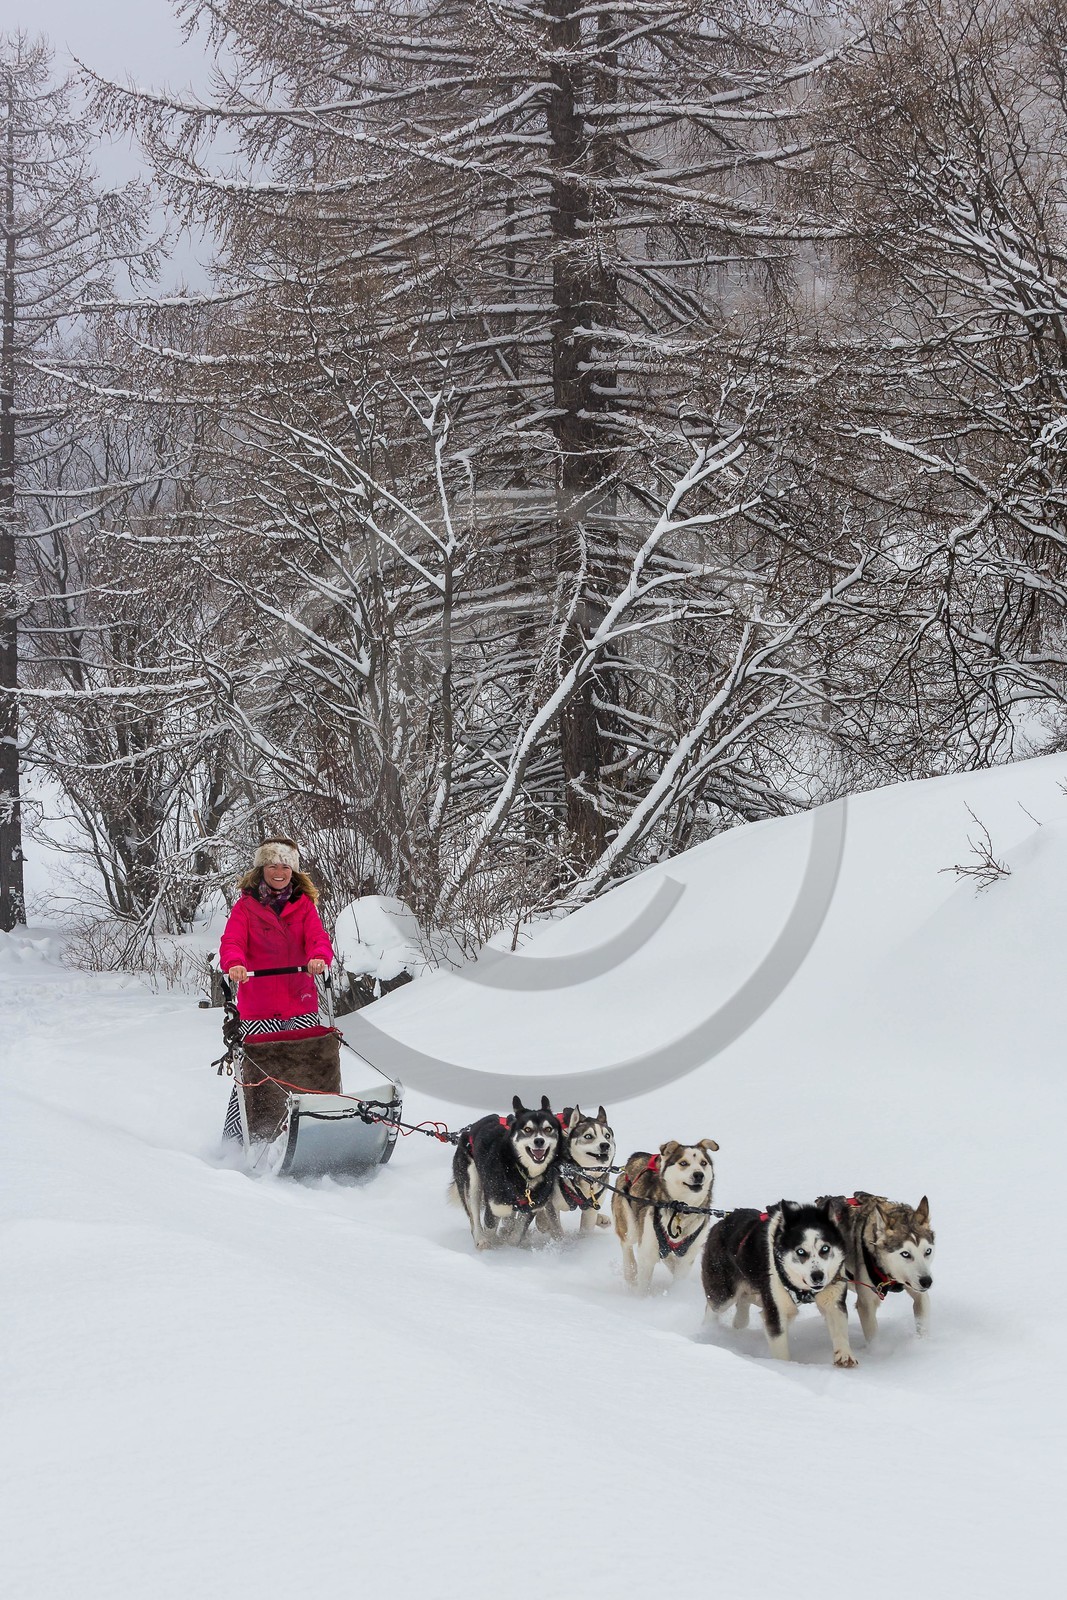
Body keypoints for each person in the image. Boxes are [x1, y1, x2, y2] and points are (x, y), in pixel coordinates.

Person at [218, 838, 335, 1140]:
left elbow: (318, 938)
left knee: (309, 1067)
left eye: (285, 866)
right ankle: (238, 1138)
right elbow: (232, 942)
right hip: (260, 1006)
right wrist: (235, 964)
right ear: (262, 869)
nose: (279, 872)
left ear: (293, 871)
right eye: (273, 865)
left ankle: (313, 1128)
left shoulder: (304, 906)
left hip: (301, 1002)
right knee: (254, 1073)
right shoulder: (245, 908)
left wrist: (319, 957)